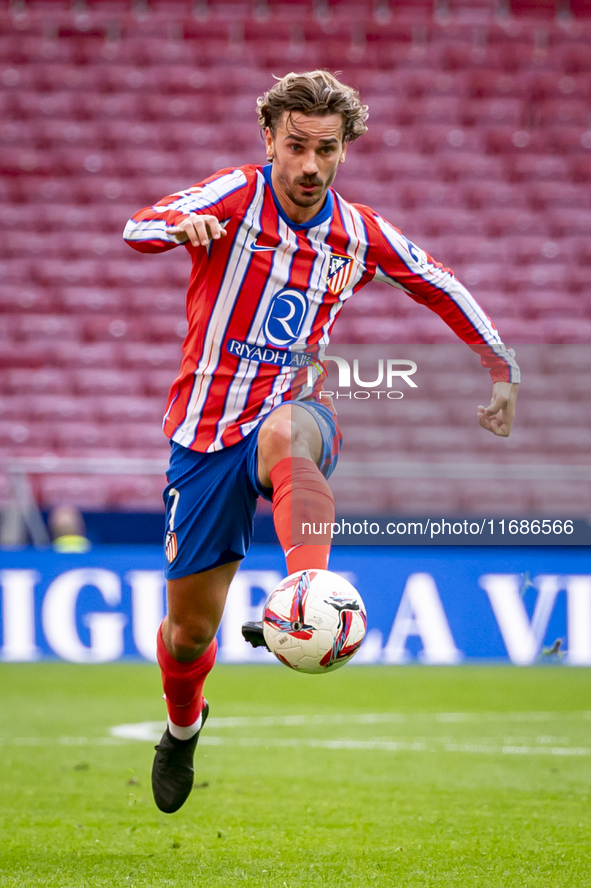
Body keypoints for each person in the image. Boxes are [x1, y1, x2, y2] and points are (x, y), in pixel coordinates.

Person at [123, 70, 520, 814]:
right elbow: (140, 224)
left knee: (286, 429)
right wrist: (180, 228)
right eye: (296, 145)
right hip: (203, 439)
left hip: (295, 411)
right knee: (187, 635)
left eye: (326, 149)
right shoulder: (233, 196)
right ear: (269, 138)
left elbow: (437, 281)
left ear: (344, 151)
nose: (310, 165)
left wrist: (500, 365)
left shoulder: (358, 232)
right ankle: (182, 729)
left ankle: (308, 590)